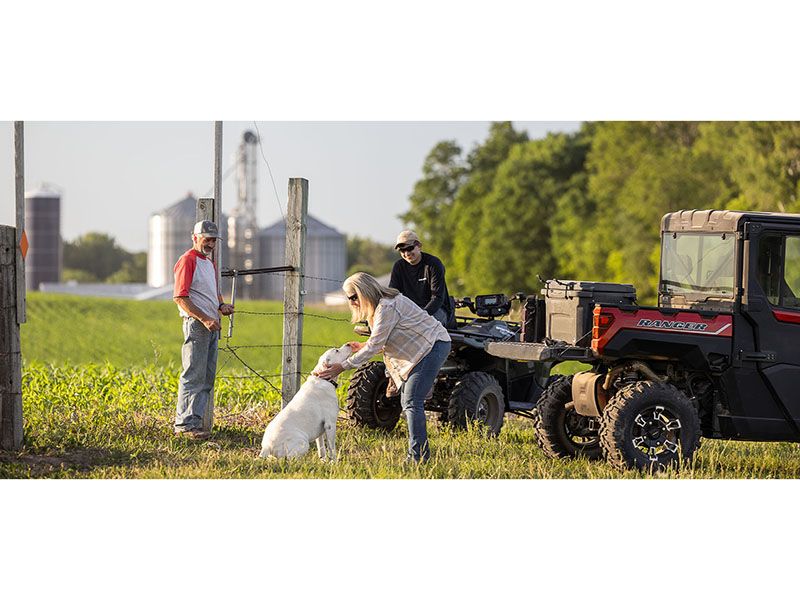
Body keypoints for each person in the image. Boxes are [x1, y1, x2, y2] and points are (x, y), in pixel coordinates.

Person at [313, 272, 451, 463]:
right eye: (349, 298)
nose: (352, 302)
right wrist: (363, 346)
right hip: (419, 350)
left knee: (412, 401)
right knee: (408, 400)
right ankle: (419, 453)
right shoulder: (380, 307)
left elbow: (375, 345)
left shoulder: (387, 307)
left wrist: (342, 366)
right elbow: (382, 340)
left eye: (353, 297)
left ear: (363, 292)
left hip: (433, 346)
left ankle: (417, 457)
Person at [172, 220, 235, 439]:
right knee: (193, 375)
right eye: (207, 239)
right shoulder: (187, 260)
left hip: (211, 324)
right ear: (195, 237)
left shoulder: (209, 263)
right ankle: (184, 426)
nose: (210, 244)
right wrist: (205, 318)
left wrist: (221, 306)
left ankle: (195, 425)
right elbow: (180, 297)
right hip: (197, 325)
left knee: (207, 378)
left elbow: (212, 292)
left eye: (214, 240)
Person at [389, 230, 452, 328]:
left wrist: (420, 316)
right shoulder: (398, 266)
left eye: (410, 248)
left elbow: (437, 298)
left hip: (437, 310)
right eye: (402, 250)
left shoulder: (433, 264)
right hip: (411, 311)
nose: (407, 253)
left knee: (422, 327)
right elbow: (393, 294)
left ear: (419, 246)